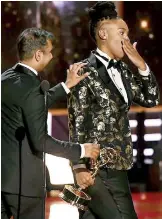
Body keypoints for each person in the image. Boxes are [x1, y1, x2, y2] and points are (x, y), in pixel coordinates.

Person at [67, 2, 160, 219]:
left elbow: (151, 98)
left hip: (119, 169)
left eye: (127, 33)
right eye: (121, 32)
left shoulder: (124, 71)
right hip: (94, 171)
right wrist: (78, 167)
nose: (127, 39)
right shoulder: (83, 71)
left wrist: (141, 65)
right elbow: (76, 123)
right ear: (103, 34)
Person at [1, 28, 100, 219]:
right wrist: (81, 150)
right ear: (38, 54)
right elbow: (41, 141)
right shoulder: (32, 88)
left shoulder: (6, 78)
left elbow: (30, 103)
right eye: (50, 51)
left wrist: (65, 86)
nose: (53, 55)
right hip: (24, 186)